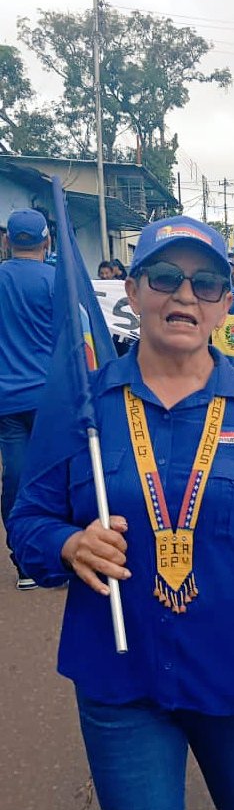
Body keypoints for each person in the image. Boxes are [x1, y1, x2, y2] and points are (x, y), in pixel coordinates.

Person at [9, 215, 234, 810]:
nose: (184, 296)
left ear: (224, 303)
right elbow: (29, 517)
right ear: (132, 292)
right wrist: (68, 543)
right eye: (165, 277)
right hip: (118, 673)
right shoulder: (84, 405)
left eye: (206, 283)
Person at [0, 208, 55, 590]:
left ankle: (24, 562)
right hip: (51, 397)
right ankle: (53, 556)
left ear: (7, 241)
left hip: (5, 399)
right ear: (46, 241)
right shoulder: (57, 281)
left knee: (16, 477)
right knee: (57, 475)